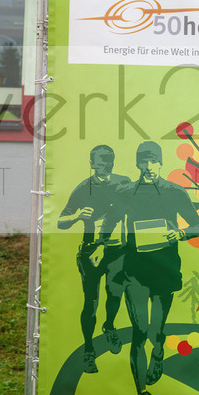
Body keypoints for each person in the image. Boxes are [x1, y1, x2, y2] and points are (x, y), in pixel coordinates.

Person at [100, 141, 199, 395]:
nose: (148, 167)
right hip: (134, 271)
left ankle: (158, 352)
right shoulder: (126, 193)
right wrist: (105, 241)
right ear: (137, 164)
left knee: (156, 331)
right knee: (140, 331)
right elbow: (108, 223)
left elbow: (197, 226)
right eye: (143, 162)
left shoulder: (174, 192)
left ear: (160, 162)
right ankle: (141, 392)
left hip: (164, 270)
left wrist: (178, 233)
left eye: (153, 161)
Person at [57, 145, 130, 373]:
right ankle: (89, 350)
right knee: (91, 303)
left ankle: (109, 326)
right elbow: (61, 221)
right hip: (90, 253)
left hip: (116, 250)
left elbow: (131, 209)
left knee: (115, 293)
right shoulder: (82, 189)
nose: (103, 165)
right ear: (91, 164)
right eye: (99, 162)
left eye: (107, 161)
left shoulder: (123, 182)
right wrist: (77, 216)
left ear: (113, 162)